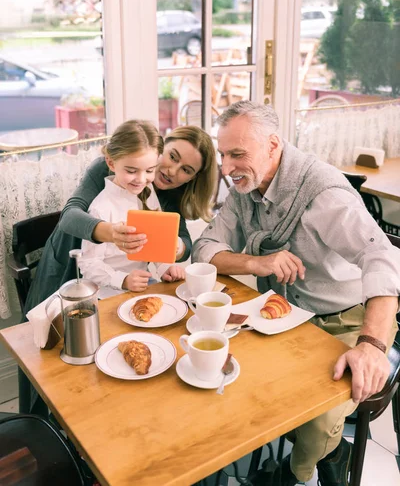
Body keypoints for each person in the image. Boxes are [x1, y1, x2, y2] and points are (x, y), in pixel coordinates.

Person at [192, 100, 400, 486]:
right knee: (226, 372)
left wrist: (371, 344)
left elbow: (383, 256)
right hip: (285, 312)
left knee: (318, 416)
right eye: (223, 154)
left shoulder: (322, 193)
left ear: (273, 145)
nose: (226, 168)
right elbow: (204, 249)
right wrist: (257, 264)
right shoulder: (244, 187)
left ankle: (294, 474)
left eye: (238, 154)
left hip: (346, 316)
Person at [25, 123, 217, 312]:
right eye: (173, 156)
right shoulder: (104, 190)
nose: (172, 171)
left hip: (128, 287)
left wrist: (169, 258)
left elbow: (176, 242)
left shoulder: (156, 193)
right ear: (161, 148)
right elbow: (70, 218)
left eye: (186, 170)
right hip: (73, 269)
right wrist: (111, 233)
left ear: (193, 178)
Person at [78, 120, 185, 298]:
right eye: (131, 170)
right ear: (111, 163)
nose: (141, 180)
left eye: (150, 170)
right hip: (107, 294)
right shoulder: (101, 208)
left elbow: (154, 242)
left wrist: (165, 267)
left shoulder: (148, 192)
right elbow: (88, 263)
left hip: (142, 286)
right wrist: (123, 280)